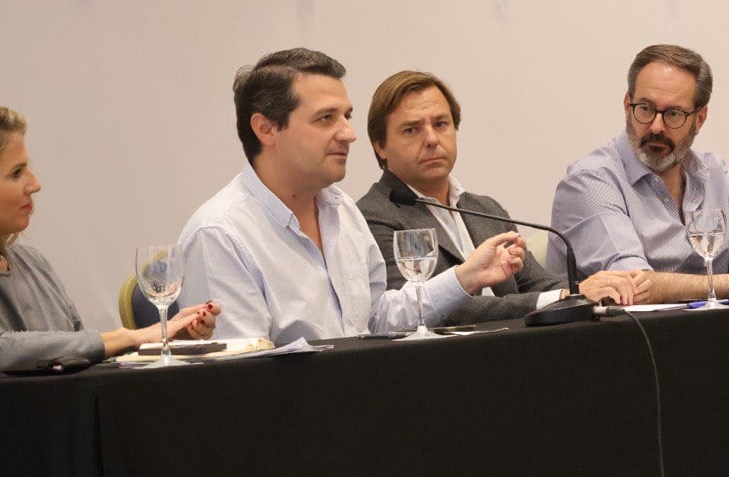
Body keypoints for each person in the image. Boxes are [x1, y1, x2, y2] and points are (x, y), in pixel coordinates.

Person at [0, 101, 219, 469]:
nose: (35, 184)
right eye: (16, 173)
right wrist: (133, 336)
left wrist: (165, 343)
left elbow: (82, 366)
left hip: (51, 468)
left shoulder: (32, 264)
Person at [178, 49, 526, 344]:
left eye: (346, 116)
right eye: (326, 118)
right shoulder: (221, 235)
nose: (348, 134)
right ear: (266, 129)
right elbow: (244, 379)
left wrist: (466, 277)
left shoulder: (340, 208)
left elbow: (377, 318)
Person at [549, 44, 729, 302]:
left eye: (673, 114)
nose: (655, 126)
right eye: (645, 109)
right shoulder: (591, 180)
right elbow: (632, 283)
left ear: (699, 118)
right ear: (627, 106)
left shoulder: (713, 171)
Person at [357, 71, 649, 323]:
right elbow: (433, 310)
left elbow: (537, 283)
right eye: (412, 129)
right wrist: (566, 296)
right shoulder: (374, 216)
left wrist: (595, 290)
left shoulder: (483, 208)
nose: (432, 139)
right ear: (380, 146)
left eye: (441, 124)